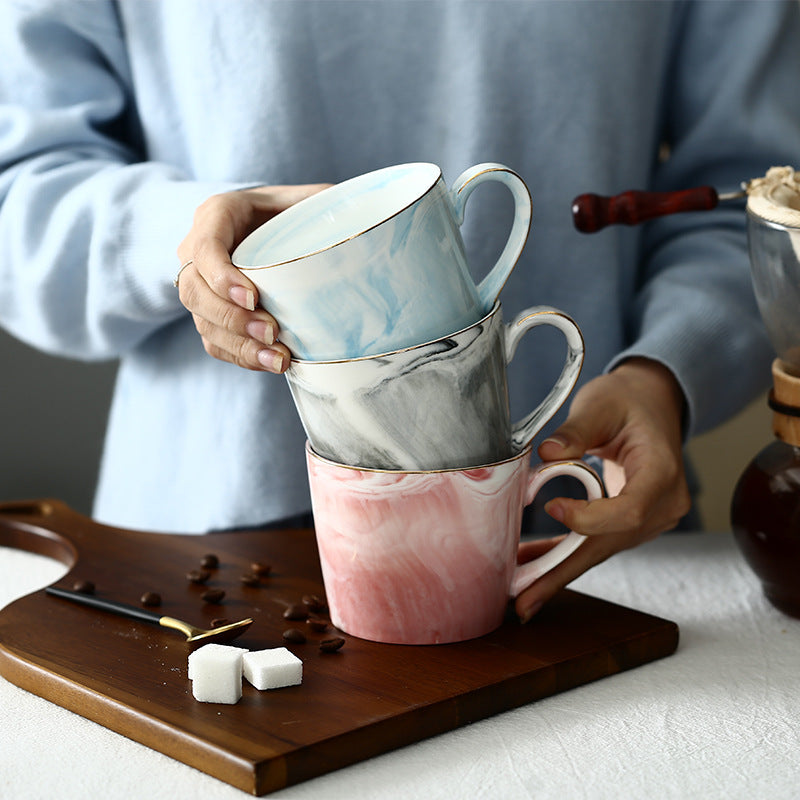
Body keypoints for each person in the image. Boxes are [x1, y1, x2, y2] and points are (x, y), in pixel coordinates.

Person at [1, 0, 798, 623]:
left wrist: (666, 375)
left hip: (579, 550)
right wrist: (189, 241)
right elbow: (20, 190)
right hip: (194, 564)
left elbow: (759, 194)